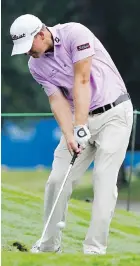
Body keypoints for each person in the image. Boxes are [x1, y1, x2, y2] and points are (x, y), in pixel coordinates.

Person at [10, 14, 133, 255]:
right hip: (80, 119)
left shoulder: (75, 33)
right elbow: (57, 101)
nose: (27, 53)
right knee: (57, 179)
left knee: (103, 179)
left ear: (42, 34)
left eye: (28, 46)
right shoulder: (35, 65)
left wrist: (79, 125)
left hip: (114, 113)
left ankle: (94, 249)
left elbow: (82, 79)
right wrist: (69, 133)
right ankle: (48, 244)